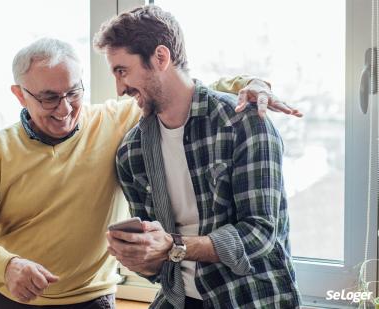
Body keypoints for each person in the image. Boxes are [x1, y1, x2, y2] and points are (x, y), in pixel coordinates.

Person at [0, 37, 298, 308]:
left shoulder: (114, 122)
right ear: (20, 96)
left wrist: (248, 83)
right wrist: (5, 266)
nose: (65, 108)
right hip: (10, 299)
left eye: (73, 92)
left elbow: (181, 89)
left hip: (93, 301)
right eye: (49, 98)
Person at [96, 5, 301, 309]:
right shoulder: (132, 152)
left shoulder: (242, 124)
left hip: (249, 297)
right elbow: (157, 268)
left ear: (161, 58)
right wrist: (140, 253)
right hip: (178, 299)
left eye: (122, 71)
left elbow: (260, 233)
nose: (119, 88)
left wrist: (173, 247)